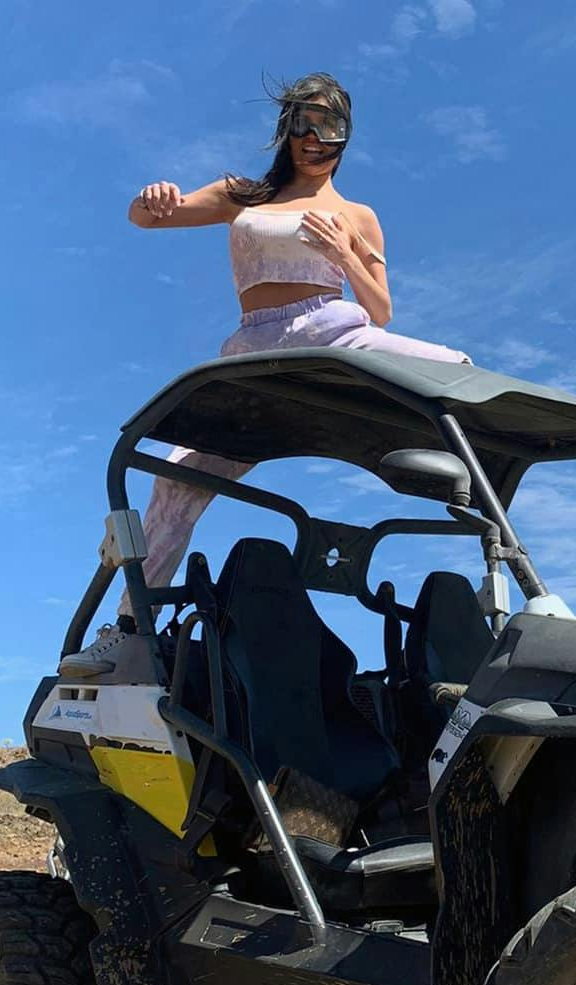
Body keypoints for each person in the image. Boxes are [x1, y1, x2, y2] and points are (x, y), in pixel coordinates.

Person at [63, 71, 470, 676]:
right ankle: (128, 631)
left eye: (327, 125)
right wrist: (149, 199)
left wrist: (344, 255)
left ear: (346, 134)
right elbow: (149, 219)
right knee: (177, 481)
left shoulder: (357, 214)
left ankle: (486, 527)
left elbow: (380, 309)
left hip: (329, 332)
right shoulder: (243, 193)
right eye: (301, 122)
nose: (312, 137)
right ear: (286, 130)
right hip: (253, 350)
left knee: (457, 373)